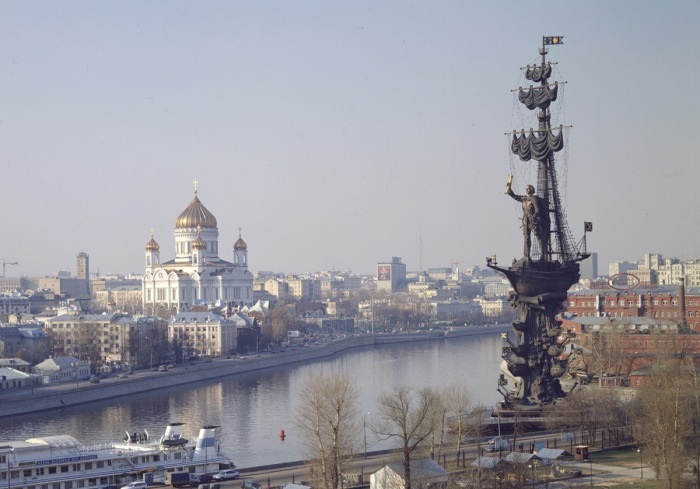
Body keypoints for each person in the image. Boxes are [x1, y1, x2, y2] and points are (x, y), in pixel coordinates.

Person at [505, 174, 550, 259]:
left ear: (532, 190)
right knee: (526, 237)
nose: (526, 190)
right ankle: (526, 256)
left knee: (538, 236)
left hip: (534, 220)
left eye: (528, 188)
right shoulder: (524, 199)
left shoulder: (534, 199)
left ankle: (542, 256)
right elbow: (515, 196)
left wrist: (535, 215)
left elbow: (537, 209)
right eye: (526, 188)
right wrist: (509, 190)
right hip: (526, 220)